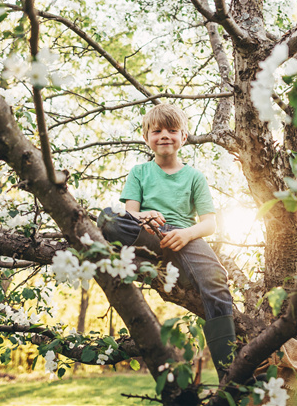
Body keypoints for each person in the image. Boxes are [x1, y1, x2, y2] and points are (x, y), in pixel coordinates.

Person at [97, 103, 235, 380]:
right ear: (146, 137)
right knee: (108, 217)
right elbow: (130, 213)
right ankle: (168, 264)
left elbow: (210, 223)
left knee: (217, 282)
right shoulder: (140, 172)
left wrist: (186, 233)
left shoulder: (194, 177)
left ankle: (231, 374)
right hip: (150, 234)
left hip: (185, 238)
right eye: (157, 130)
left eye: (172, 130)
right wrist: (144, 215)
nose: (164, 136)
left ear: (183, 137)